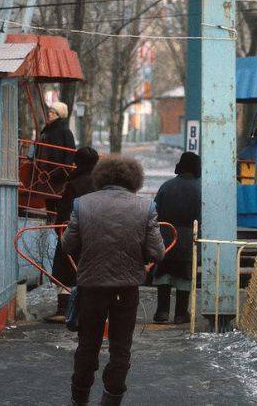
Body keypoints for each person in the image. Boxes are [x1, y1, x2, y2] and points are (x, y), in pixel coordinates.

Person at [62, 156, 165, 406]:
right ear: (134, 179)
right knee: (121, 348)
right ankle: (111, 400)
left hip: (91, 287)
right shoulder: (145, 207)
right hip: (126, 288)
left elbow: (67, 244)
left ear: (101, 177)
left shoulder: (82, 205)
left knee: (87, 345)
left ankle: (79, 398)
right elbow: (157, 252)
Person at [46, 146, 100, 324]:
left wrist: (60, 230)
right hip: (96, 235)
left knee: (65, 270)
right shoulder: (100, 183)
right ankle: (89, 310)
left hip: (74, 234)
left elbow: (65, 212)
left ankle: (64, 309)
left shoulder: (73, 184)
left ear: (77, 162)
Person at [152, 152, 200, 324]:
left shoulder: (166, 186)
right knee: (184, 276)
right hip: (189, 238)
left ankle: (162, 312)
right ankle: (181, 314)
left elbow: (154, 212)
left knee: (164, 274)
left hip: (166, 236)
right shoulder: (200, 187)